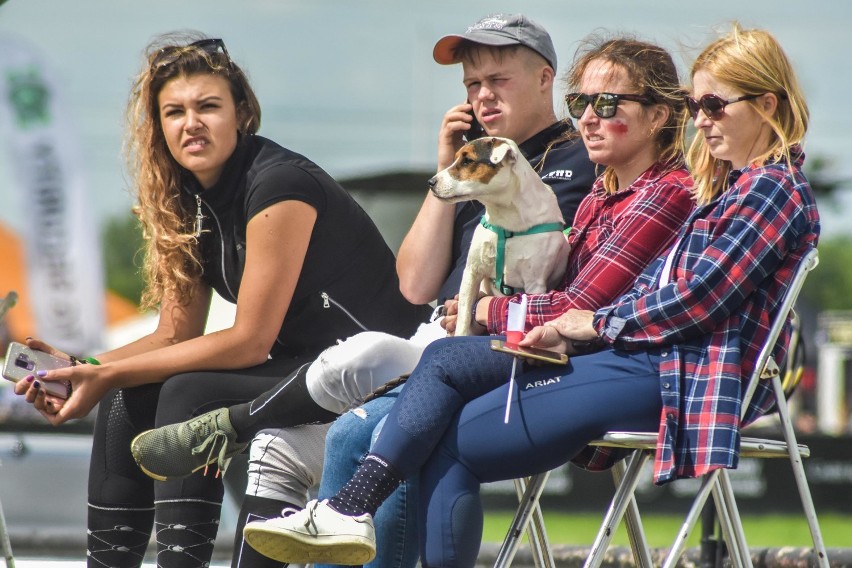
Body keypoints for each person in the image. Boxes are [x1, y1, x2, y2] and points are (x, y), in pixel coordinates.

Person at [241, 24, 819, 568]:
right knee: (408, 397)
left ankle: (342, 507)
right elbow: (635, 297)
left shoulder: (759, 188)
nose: (703, 121)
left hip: (677, 371)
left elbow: (694, 300)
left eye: (714, 106)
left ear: (767, 105)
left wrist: (580, 323)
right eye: (698, 108)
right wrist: (571, 320)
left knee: (439, 412)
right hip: (643, 358)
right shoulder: (714, 189)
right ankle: (345, 510)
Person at [129, 14, 598, 568]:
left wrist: (480, 308)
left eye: (499, 79)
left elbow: (559, 286)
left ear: (546, 79)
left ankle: (229, 424)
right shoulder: (472, 166)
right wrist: (447, 170)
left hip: (490, 359)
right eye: (472, 84)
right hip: (428, 348)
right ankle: (238, 431)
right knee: (274, 448)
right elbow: (415, 283)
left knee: (362, 397)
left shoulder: (577, 160)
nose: (482, 94)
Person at [13, 33, 432, 568]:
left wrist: (105, 373)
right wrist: (84, 368)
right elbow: (172, 334)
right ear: (158, 126)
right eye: (175, 111)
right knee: (128, 397)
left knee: (189, 392)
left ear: (241, 114)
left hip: (375, 373)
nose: (192, 122)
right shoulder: (186, 200)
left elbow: (248, 342)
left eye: (208, 106)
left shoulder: (278, 184)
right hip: (300, 370)